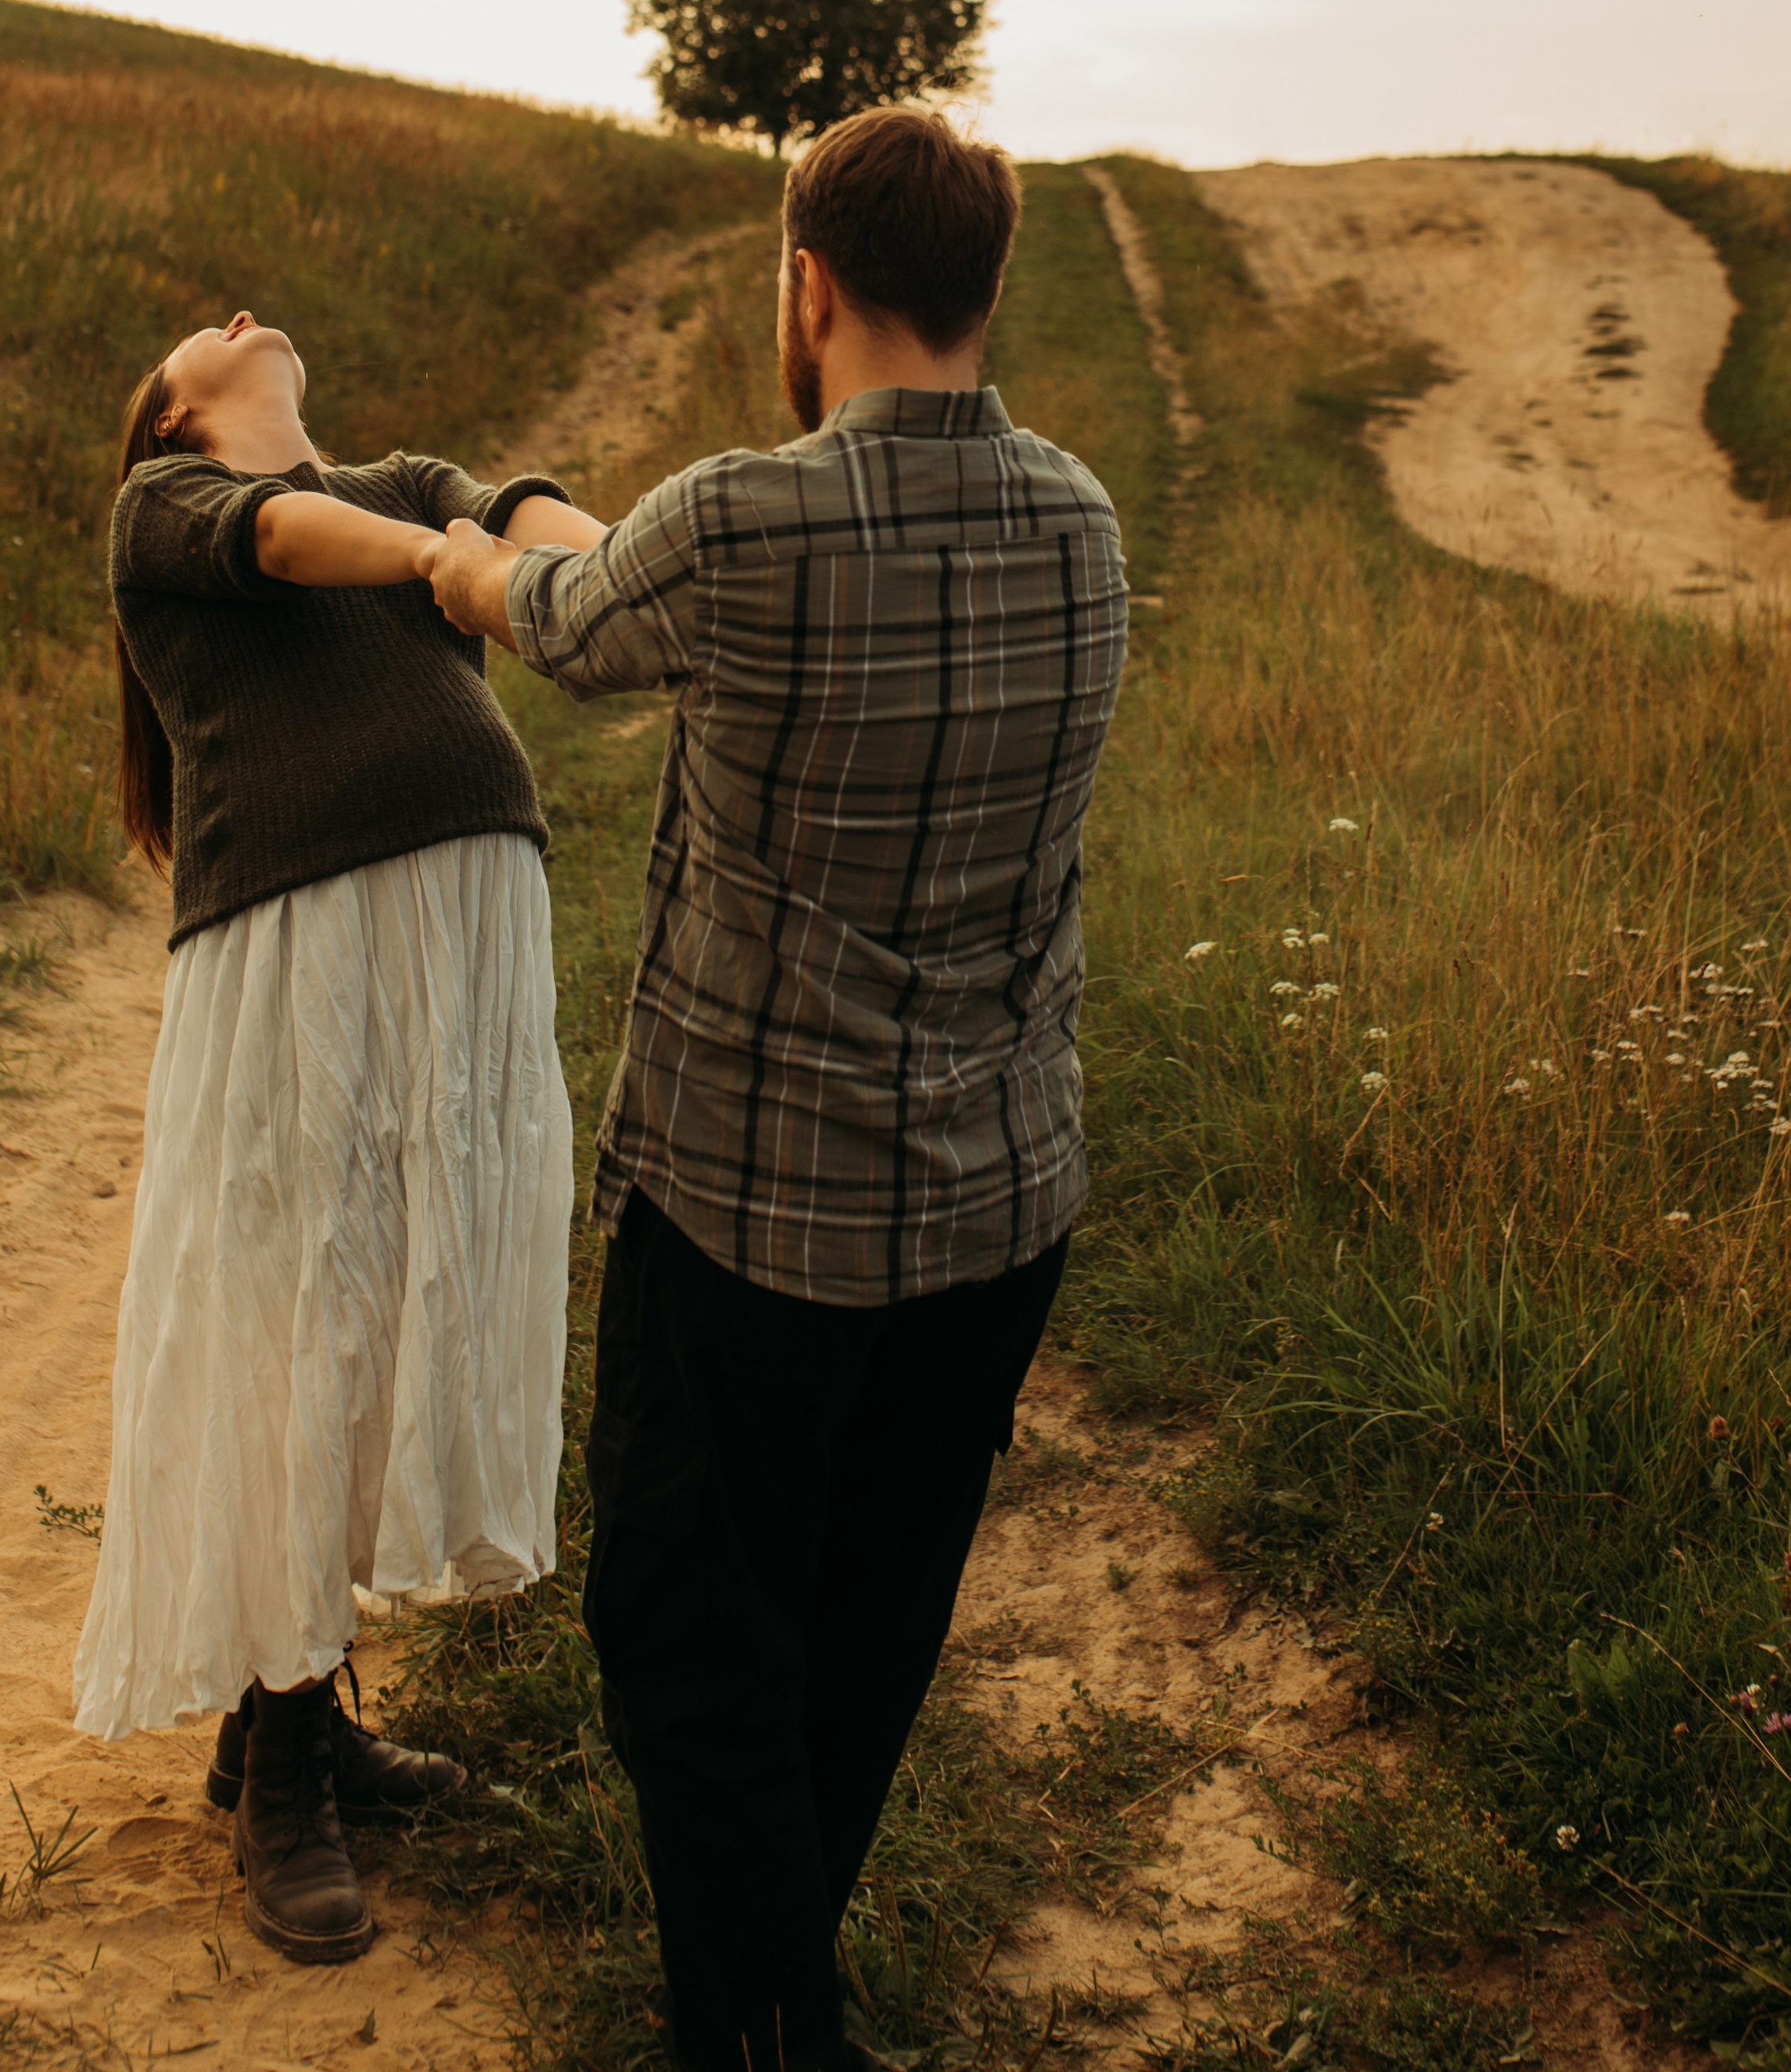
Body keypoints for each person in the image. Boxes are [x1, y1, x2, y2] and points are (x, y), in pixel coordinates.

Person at [429, 109, 1129, 2072]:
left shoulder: (744, 519)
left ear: (803, 284)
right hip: (996, 1208)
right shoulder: (1078, 517)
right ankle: (773, 1989)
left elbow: (558, 622)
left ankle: (760, 2032)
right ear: (986, 289)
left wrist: (471, 546)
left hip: (755, 1216)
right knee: (864, 1626)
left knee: (681, 1636)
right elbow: (678, 584)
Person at [74, 309, 602, 1968]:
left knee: (388, 1320)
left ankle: (284, 1718)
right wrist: (458, 563)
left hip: (461, 948)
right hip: (300, 954)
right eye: (200, 335)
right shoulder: (164, 509)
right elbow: (290, 537)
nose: (239, 312)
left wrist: (616, 557)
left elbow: (536, 521)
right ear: (172, 412)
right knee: (301, 1321)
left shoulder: (404, 482)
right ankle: (282, 1780)